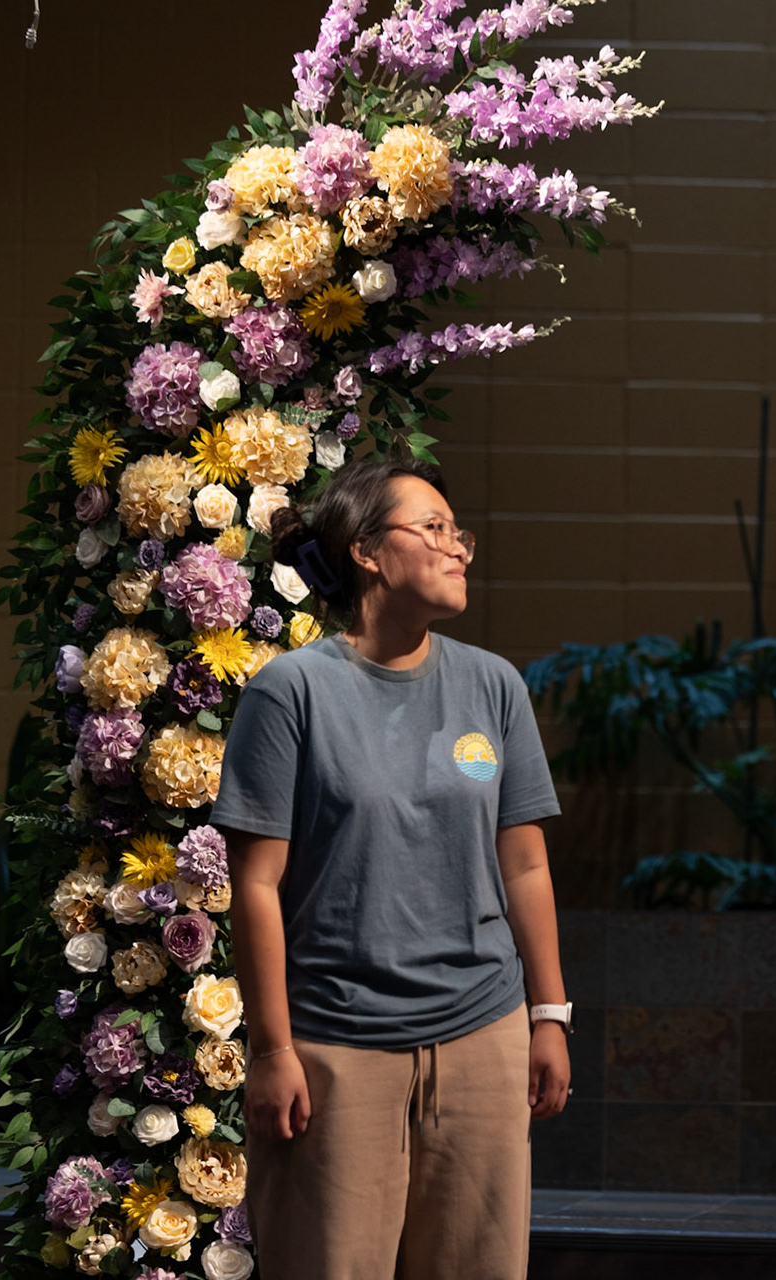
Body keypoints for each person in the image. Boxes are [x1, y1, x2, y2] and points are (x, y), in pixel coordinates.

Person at [213, 458, 573, 1280]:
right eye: (433, 529)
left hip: (483, 1032)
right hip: (335, 1044)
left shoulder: (493, 685)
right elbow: (255, 886)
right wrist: (271, 1050)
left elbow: (524, 864)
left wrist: (549, 1014)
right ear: (368, 551)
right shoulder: (291, 692)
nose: (458, 548)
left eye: (459, 533)